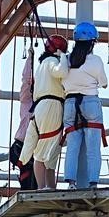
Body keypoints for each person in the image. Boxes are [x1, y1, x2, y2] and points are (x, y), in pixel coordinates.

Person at [61, 22, 109, 190]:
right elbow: (104, 83)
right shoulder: (95, 60)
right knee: (93, 149)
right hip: (90, 103)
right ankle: (93, 183)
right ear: (92, 42)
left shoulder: (66, 59)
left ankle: (71, 183)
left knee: (72, 148)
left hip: (70, 104)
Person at [17, 35, 69, 189]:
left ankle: (47, 187)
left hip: (41, 107)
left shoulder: (41, 67)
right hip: (51, 105)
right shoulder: (52, 62)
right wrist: (64, 58)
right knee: (45, 151)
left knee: (47, 152)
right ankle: (44, 187)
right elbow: (62, 72)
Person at [11, 51, 38, 190]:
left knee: (33, 178)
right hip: (22, 146)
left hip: (29, 148)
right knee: (30, 177)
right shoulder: (27, 101)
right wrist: (30, 59)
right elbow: (26, 81)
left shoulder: (40, 104)